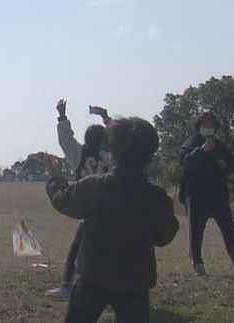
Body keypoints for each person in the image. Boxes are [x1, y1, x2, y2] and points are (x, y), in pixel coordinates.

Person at [45, 117, 180, 323]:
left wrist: (55, 177)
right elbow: (165, 236)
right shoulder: (156, 197)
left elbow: (62, 200)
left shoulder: (94, 186)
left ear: (113, 152)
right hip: (136, 283)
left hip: (93, 277)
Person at [47, 99, 113, 299]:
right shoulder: (111, 156)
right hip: (110, 208)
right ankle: (111, 284)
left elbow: (66, 140)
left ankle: (68, 283)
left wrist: (62, 116)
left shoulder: (79, 154)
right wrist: (106, 118)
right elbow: (119, 140)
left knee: (77, 247)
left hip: (88, 209)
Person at [178, 112, 234, 276]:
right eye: (205, 124)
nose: (208, 128)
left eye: (211, 125)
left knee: (228, 228)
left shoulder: (220, 146)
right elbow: (186, 163)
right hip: (196, 193)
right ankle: (197, 262)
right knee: (196, 229)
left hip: (218, 193)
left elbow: (232, 164)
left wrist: (225, 166)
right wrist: (201, 151)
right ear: (198, 126)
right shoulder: (191, 143)